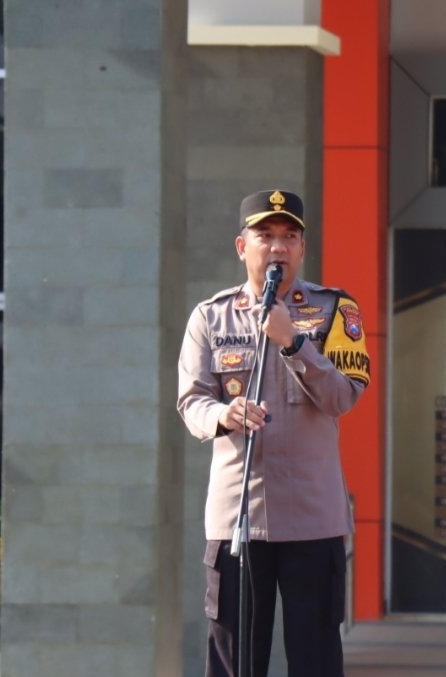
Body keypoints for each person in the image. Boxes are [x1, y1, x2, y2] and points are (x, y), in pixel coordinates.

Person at [177, 189, 370, 677]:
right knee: (233, 660)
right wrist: (224, 414)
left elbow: (343, 397)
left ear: (303, 248)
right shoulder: (211, 317)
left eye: (289, 237)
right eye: (266, 235)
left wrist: (294, 344)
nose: (278, 247)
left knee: (316, 659)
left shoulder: (335, 311)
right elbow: (191, 401)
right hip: (240, 518)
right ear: (243, 246)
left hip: (313, 518)